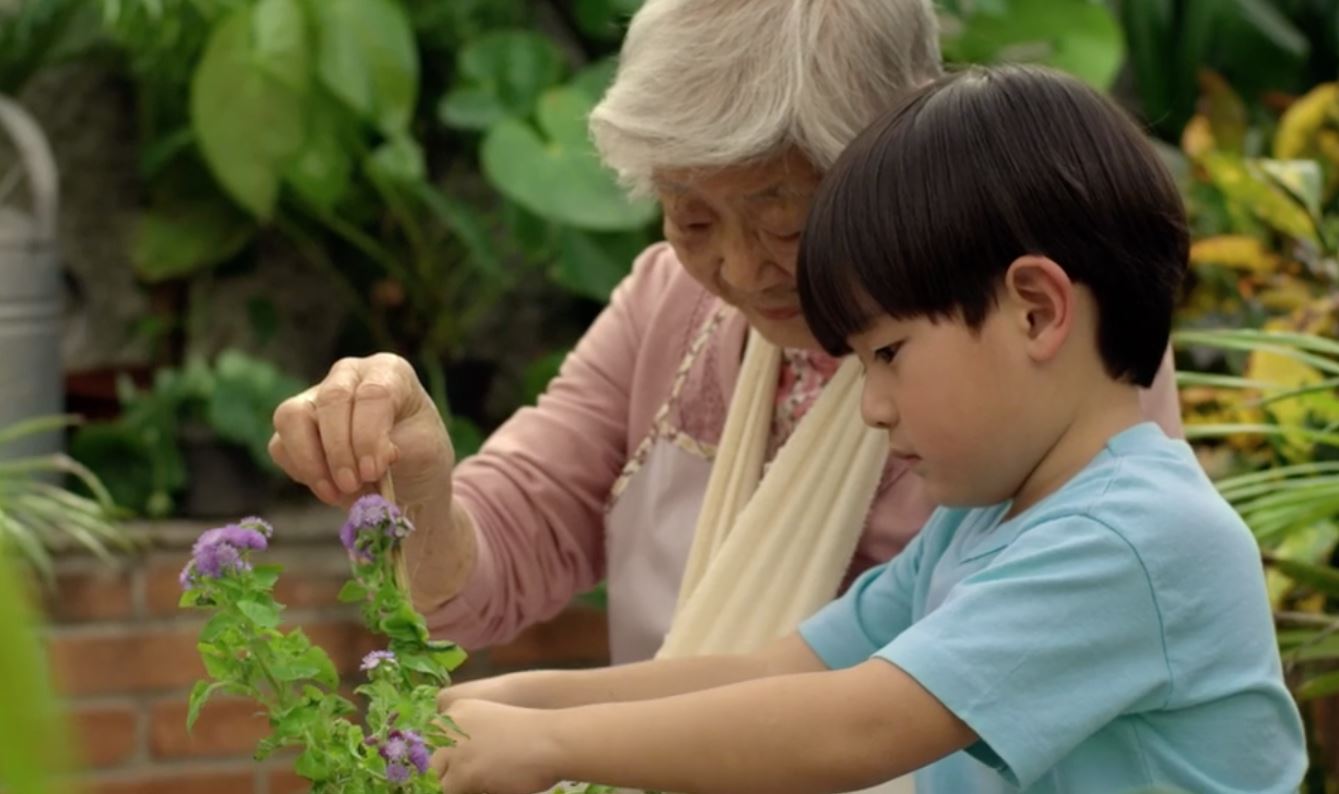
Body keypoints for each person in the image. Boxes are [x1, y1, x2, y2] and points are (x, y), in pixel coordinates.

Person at [427, 65, 1308, 794]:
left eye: (886, 354)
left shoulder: (1135, 541)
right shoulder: (981, 526)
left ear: (1035, 311)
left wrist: (551, 748)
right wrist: (528, 702)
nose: (870, 405)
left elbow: (856, 726)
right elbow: (781, 673)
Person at [268, 0, 1180, 668]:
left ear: (899, 155)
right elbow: (499, 552)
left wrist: (550, 736)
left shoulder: (1030, 343)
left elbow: (916, 702)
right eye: (691, 216)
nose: (741, 271)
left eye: (784, 222)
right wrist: (422, 489)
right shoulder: (669, 306)